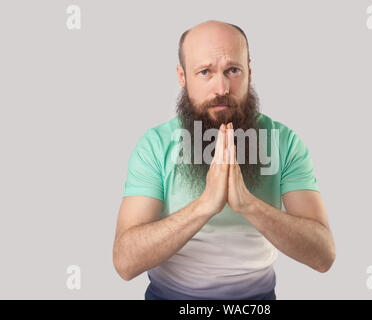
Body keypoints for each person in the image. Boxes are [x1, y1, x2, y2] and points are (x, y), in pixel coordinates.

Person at [113, 20, 336, 300]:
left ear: (250, 71)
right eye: (205, 72)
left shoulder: (284, 142)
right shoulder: (155, 145)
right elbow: (125, 262)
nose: (221, 88)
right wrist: (205, 206)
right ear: (182, 77)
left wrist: (248, 205)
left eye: (233, 70)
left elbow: (323, 256)